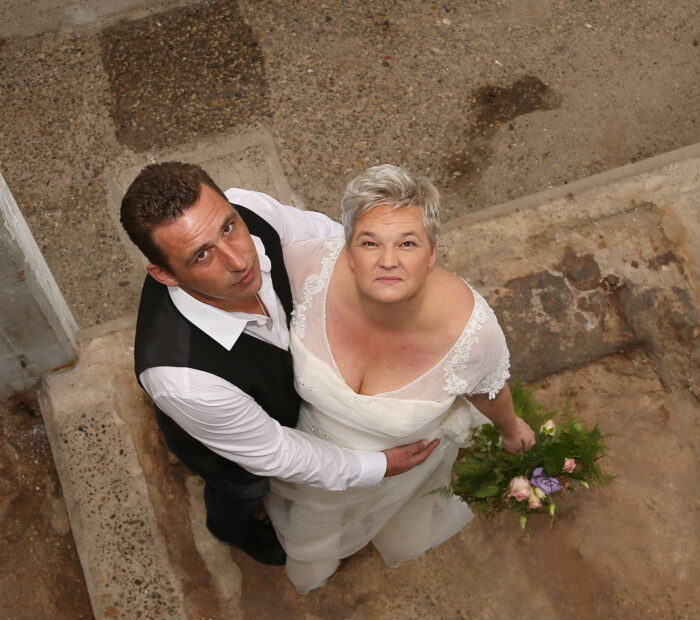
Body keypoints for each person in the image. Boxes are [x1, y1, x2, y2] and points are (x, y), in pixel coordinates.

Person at [120, 162, 440, 566]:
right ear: (165, 274)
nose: (239, 261)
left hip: (288, 398)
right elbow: (276, 452)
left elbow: (328, 240)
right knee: (242, 488)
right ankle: (231, 529)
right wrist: (377, 466)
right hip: (231, 448)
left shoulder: (251, 209)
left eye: (228, 227)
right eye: (202, 255)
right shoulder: (183, 380)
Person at [265, 164, 536, 593]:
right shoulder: (308, 267)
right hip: (311, 453)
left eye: (407, 243)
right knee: (313, 522)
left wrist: (512, 430)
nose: (388, 261)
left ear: (431, 254)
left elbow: (488, 389)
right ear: (348, 250)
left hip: (399, 468)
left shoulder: (473, 334)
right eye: (370, 242)